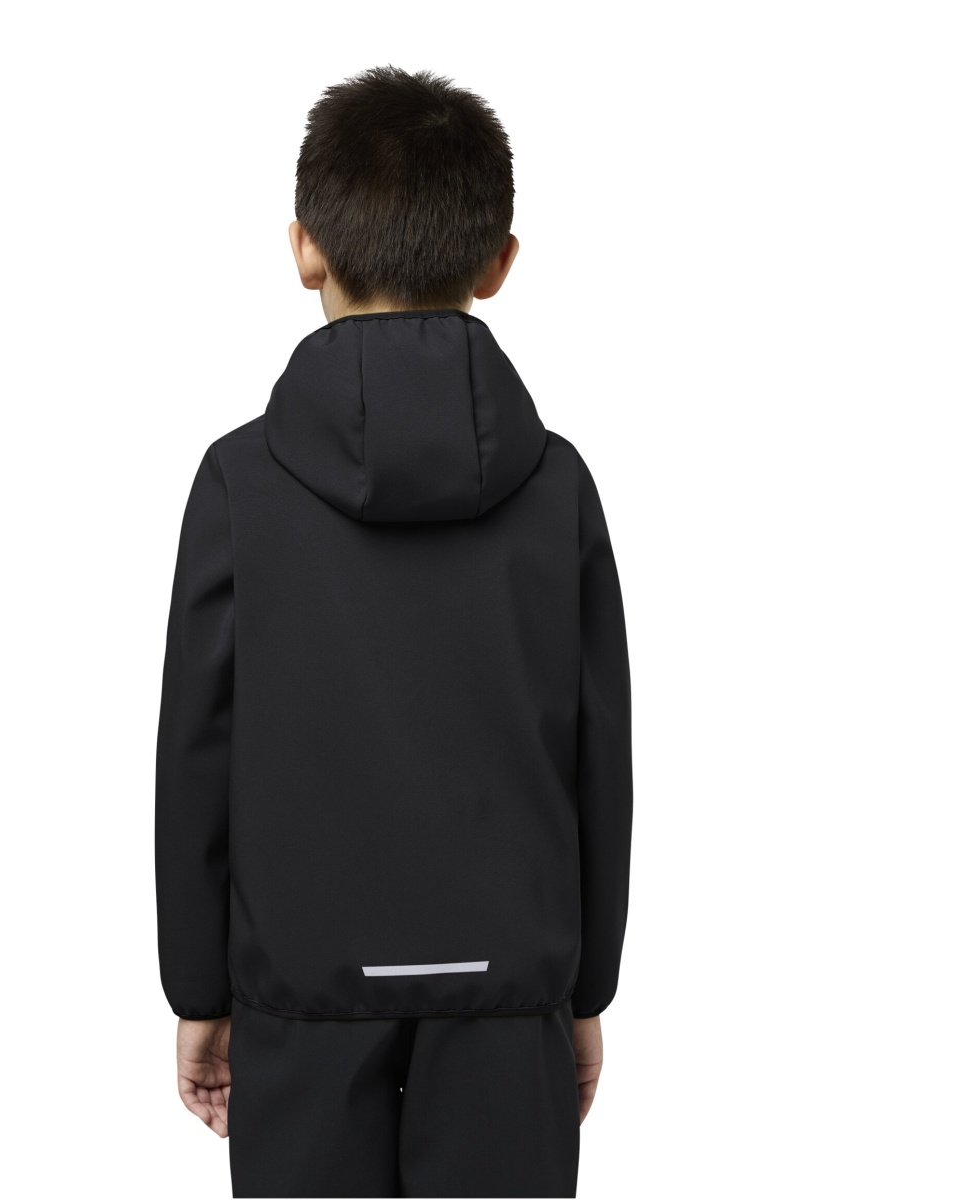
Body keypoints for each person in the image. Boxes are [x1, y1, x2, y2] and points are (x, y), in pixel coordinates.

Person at [156, 66, 633, 1199]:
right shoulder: (557, 488)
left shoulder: (239, 485)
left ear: (304, 250)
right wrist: (584, 992)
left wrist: (198, 990)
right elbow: (599, 758)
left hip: (299, 997)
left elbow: (197, 757)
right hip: (511, 997)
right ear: (498, 263)